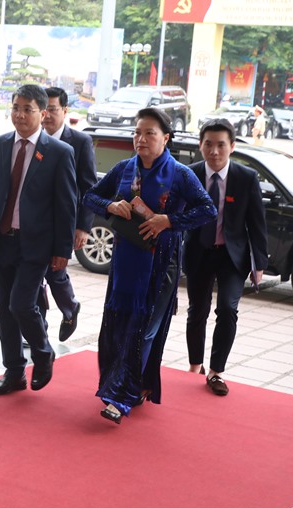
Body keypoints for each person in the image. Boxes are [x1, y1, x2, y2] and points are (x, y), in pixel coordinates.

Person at [83, 107, 216, 425]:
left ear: (166, 138)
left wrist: (167, 220)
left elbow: (207, 210)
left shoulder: (180, 174)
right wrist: (110, 204)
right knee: (118, 324)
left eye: (149, 133)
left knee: (142, 330)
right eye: (137, 133)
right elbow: (89, 196)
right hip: (125, 261)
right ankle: (129, 385)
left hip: (162, 266)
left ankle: (120, 397)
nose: (141, 139)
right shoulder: (124, 169)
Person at [0, 84, 77, 397]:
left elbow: (67, 205)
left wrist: (63, 250)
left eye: (28, 109)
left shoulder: (59, 152)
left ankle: (42, 352)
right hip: (2, 239)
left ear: (43, 113)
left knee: (21, 303)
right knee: (4, 310)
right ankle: (13, 372)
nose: (20, 115)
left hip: (36, 244)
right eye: (16, 108)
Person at [185, 119, 267, 397]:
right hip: (198, 251)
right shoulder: (190, 175)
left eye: (221, 144)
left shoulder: (246, 178)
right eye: (208, 144)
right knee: (198, 311)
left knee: (228, 310)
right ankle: (194, 365)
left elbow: (257, 223)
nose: (215, 151)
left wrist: (260, 264)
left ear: (232, 146)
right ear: (200, 145)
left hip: (232, 255)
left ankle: (216, 371)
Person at [40, 87, 98, 341]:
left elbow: (89, 187)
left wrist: (83, 227)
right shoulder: (33, 137)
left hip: (64, 222)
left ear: (65, 110)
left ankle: (70, 306)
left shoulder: (80, 141)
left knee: (55, 273)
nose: (48, 116)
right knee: (33, 275)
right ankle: (37, 328)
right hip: (34, 221)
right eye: (44, 110)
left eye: (53, 110)